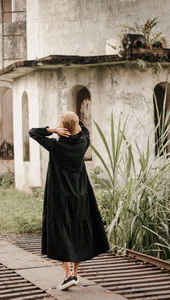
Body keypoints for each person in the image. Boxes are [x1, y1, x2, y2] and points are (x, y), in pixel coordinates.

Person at [29, 111, 109, 291]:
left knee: (63, 230)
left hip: (59, 196)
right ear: (76, 129)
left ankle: (67, 275)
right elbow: (86, 130)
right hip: (80, 194)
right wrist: (74, 124)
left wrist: (53, 129)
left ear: (63, 129)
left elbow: (33, 132)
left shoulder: (55, 146)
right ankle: (75, 273)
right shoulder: (83, 143)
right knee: (77, 228)